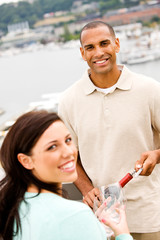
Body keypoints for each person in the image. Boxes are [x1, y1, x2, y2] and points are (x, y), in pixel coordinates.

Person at [58, 21, 160, 240]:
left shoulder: (150, 89)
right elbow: (68, 157)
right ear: (82, 53)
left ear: (117, 44)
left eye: (104, 44)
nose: (99, 52)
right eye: (90, 47)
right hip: (103, 219)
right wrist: (86, 189)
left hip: (150, 213)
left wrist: (157, 155)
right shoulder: (68, 101)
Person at [0, 110, 133, 240]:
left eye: (68, 140)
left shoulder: (13, 207)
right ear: (26, 161)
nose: (68, 152)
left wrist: (93, 226)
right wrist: (123, 233)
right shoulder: (75, 215)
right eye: (52, 147)